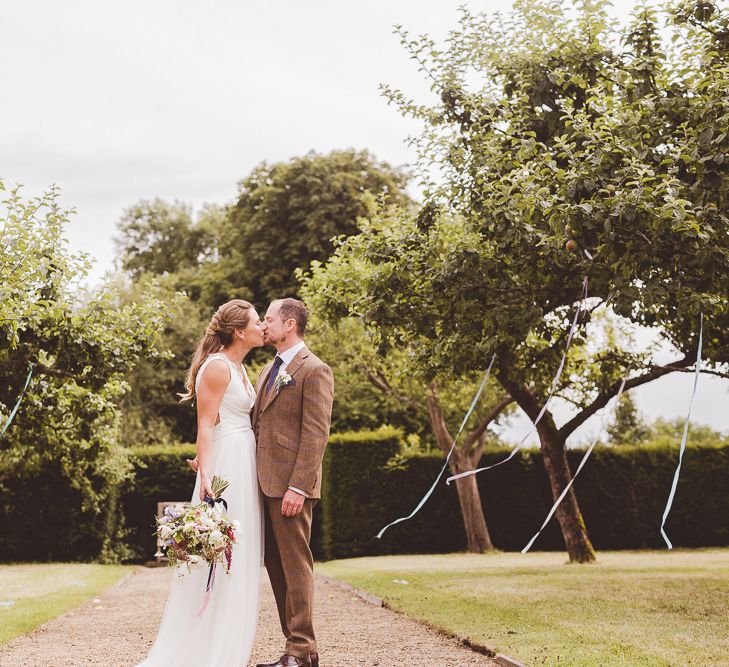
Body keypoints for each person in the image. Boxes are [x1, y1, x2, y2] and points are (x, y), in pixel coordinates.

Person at [136, 299, 265, 667]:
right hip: (227, 462)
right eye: (257, 321)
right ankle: (208, 649)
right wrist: (206, 472)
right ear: (239, 331)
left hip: (245, 458)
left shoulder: (240, 368)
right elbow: (206, 425)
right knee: (222, 553)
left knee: (240, 552)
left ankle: (228, 640)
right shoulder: (218, 366)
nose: (262, 327)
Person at [252, 298, 334, 667]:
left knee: (296, 565)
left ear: (289, 325)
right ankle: (300, 651)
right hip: (264, 484)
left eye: (268, 319)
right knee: (276, 565)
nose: (263, 325)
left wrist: (298, 487)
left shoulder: (314, 369)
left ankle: (300, 649)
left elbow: (316, 434)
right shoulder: (267, 371)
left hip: (290, 488)